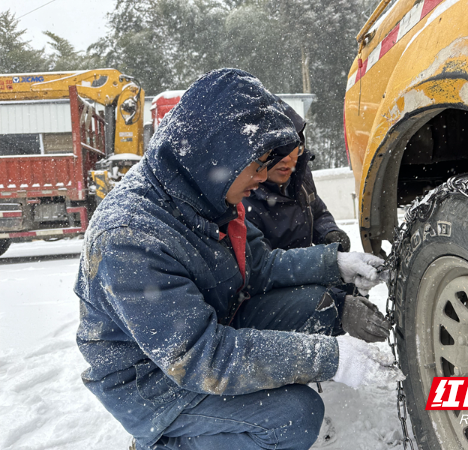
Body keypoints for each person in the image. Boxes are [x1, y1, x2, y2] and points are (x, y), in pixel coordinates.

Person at [75, 68, 402, 450]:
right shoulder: (131, 238)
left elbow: (260, 266)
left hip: (213, 321)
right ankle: (170, 441)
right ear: (222, 153)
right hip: (154, 380)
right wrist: (332, 358)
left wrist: (337, 264)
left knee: (321, 305)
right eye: (258, 163)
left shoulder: (204, 193)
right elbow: (202, 358)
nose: (263, 177)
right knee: (295, 416)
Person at [243, 100, 351, 252]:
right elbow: (264, 266)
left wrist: (329, 232)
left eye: (294, 148)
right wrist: (324, 261)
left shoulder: (300, 176)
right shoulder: (244, 198)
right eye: (278, 150)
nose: (287, 158)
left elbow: (317, 212)